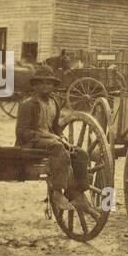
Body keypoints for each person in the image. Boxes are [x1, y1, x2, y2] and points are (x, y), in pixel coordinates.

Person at [15, 67, 100, 219]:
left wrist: (62, 137)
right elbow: (22, 133)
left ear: (54, 86)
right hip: (31, 143)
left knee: (79, 153)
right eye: (42, 83)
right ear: (35, 85)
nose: (46, 87)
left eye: (49, 84)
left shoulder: (54, 102)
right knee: (58, 147)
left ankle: (79, 195)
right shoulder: (28, 104)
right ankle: (58, 192)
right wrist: (50, 137)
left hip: (49, 140)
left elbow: (56, 128)